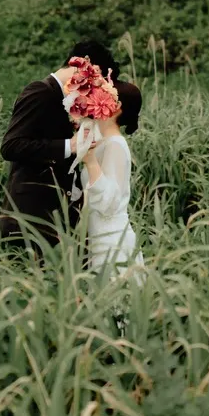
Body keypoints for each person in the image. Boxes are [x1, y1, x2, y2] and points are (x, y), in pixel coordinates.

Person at [0, 39, 118, 255]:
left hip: (54, 218)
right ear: (82, 63)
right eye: (94, 76)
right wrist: (69, 146)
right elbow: (11, 146)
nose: (94, 87)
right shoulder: (40, 91)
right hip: (28, 216)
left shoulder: (69, 101)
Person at [80, 79, 145, 286]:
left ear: (116, 107)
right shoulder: (103, 142)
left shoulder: (116, 145)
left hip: (112, 241)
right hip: (98, 237)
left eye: (103, 96)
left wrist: (90, 162)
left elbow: (109, 202)